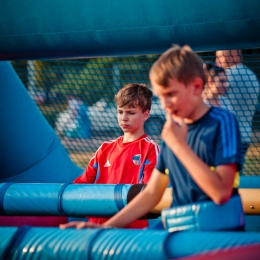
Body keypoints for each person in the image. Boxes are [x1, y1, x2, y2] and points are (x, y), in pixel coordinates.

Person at [60, 45, 243, 231]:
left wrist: (179, 145)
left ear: (196, 86)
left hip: (216, 232)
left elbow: (221, 192)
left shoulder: (222, 122)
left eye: (171, 94)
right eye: (161, 96)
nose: (164, 104)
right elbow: (151, 193)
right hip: (180, 228)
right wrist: (106, 227)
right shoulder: (172, 131)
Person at [72, 83, 160, 229]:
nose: (124, 118)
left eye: (131, 113)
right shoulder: (105, 148)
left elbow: (149, 193)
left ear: (146, 114)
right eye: (120, 112)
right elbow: (82, 183)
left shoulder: (150, 149)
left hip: (129, 229)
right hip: (96, 225)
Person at [216, 50, 260, 158]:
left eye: (221, 56)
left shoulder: (228, 75)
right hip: (245, 137)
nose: (217, 60)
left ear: (234, 54)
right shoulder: (252, 75)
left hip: (228, 137)